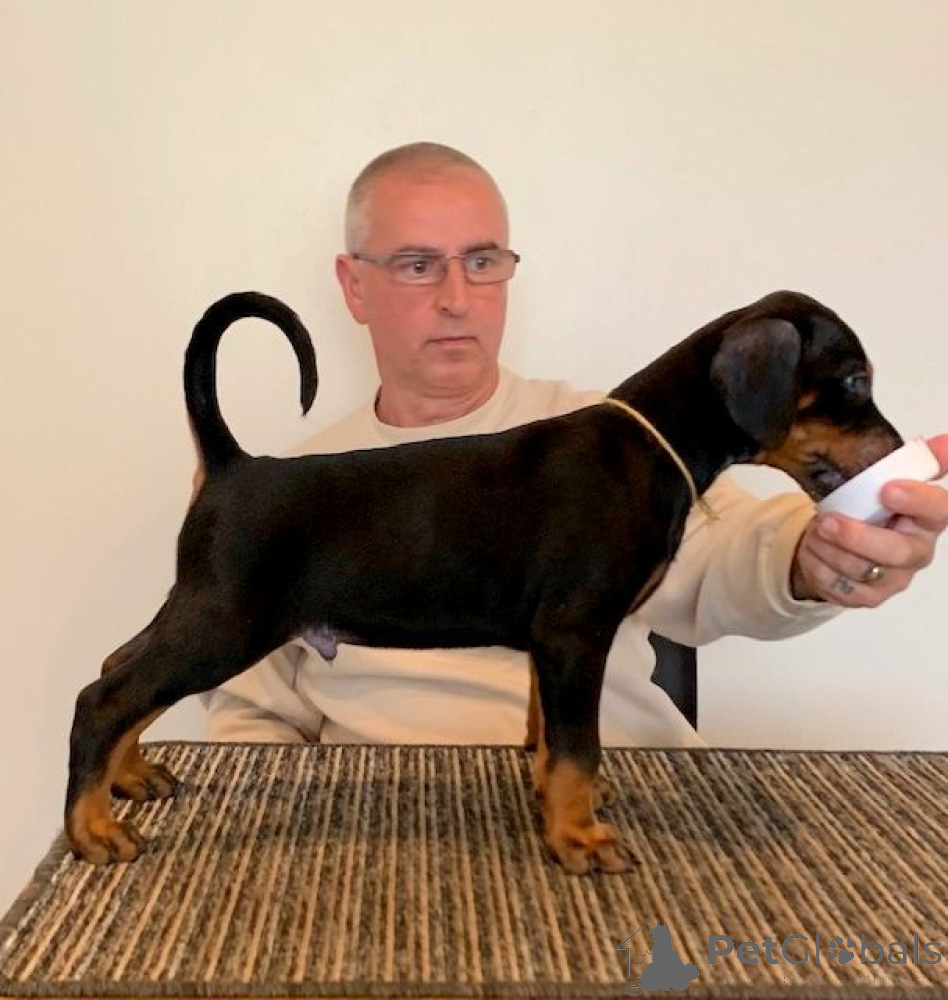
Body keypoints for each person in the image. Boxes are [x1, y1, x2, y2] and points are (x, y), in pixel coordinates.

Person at [201, 142, 948, 746]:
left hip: (614, 793)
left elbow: (732, 550)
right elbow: (249, 712)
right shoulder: (292, 490)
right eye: (418, 265)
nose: (457, 298)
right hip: (387, 818)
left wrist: (814, 560)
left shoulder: (616, 440)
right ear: (354, 286)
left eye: (482, 261)